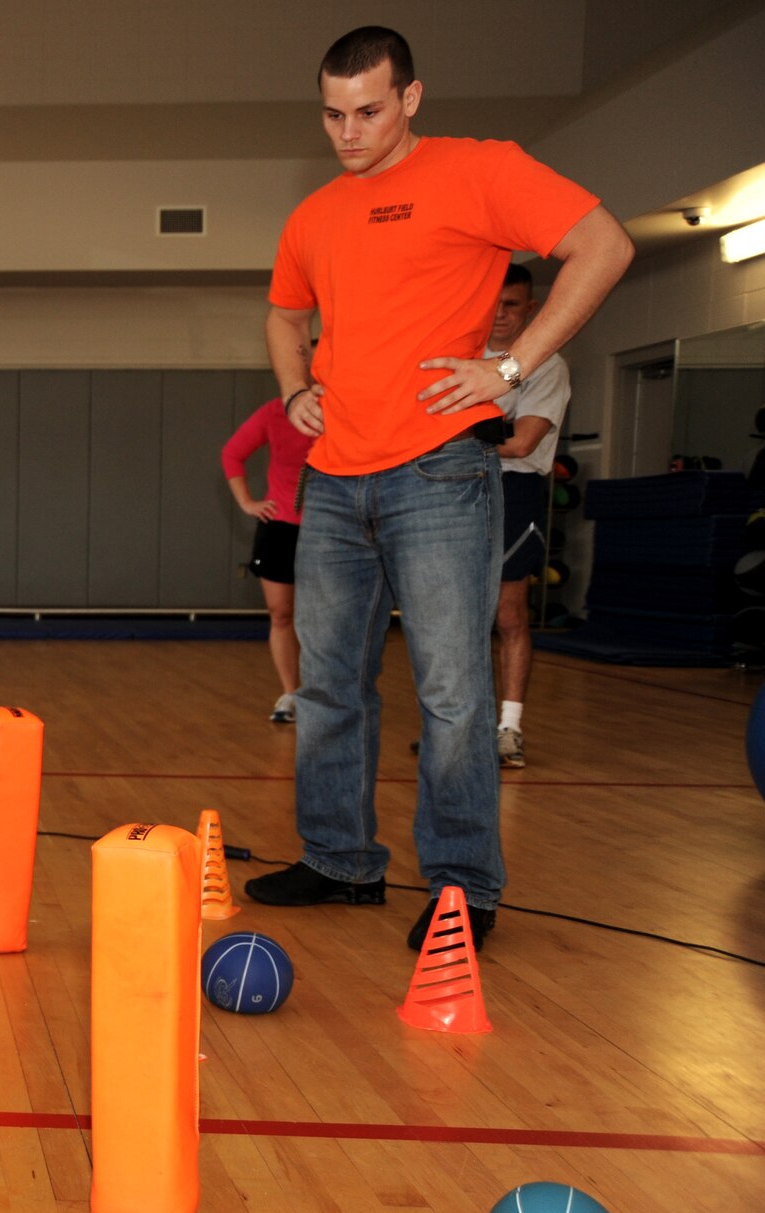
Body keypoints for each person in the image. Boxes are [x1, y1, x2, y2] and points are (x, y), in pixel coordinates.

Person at [245, 26, 632, 950]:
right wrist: (297, 387)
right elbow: (281, 310)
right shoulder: (315, 213)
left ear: (411, 99)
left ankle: (464, 884)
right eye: (333, 114)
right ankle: (339, 860)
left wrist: (509, 367)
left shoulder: (478, 170)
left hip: (440, 471)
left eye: (368, 111)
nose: (348, 131)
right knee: (332, 684)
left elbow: (604, 247)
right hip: (336, 480)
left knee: (453, 688)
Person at [485, 263, 571, 770]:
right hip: (457, 490)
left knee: (508, 614)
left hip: (515, 490)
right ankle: (465, 729)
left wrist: (450, 436)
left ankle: (509, 727)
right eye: (492, 303)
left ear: (530, 308)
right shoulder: (464, 357)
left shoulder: (546, 365)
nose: (499, 315)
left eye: (511, 305)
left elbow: (521, 441)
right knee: (460, 622)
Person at [222, 395, 316, 723]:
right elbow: (232, 454)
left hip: (330, 529)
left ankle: (325, 696)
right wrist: (247, 502)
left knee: (326, 618)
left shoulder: (347, 409)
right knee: (281, 613)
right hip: (280, 529)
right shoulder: (276, 412)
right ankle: (291, 694)